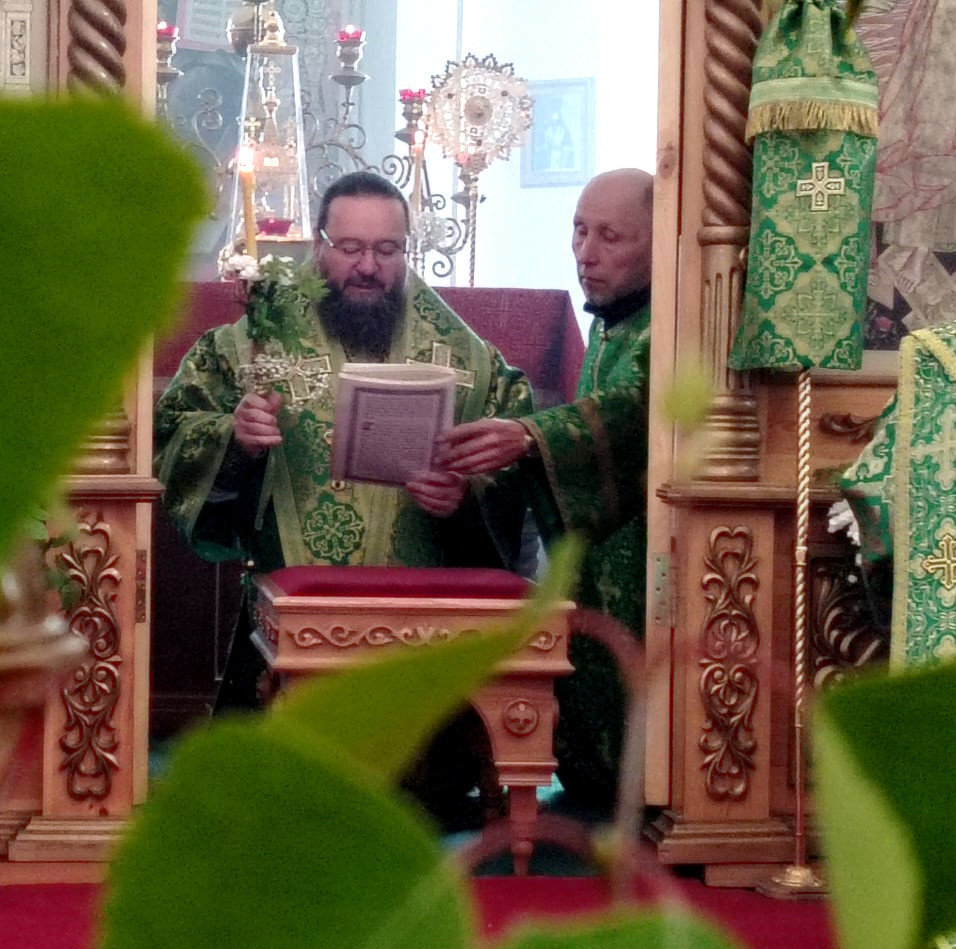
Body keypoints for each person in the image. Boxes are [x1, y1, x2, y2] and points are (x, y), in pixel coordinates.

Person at [154, 171, 535, 823]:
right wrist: (233, 437)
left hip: (420, 629)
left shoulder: (464, 355)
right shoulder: (253, 341)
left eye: (387, 250)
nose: (367, 267)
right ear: (319, 245)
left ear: (406, 250)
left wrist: (467, 494)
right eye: (350, 248)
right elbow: (174, 429)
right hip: (290, 620)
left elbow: (515, 453)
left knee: (414, 807)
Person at [436, 167, 654, 810]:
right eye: (579, 231)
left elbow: (637, 409)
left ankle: (641, 789)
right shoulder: (614, 324)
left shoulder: (669, 327)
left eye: (611, 236)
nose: (586, 253)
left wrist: (531, 437)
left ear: (660, 241)